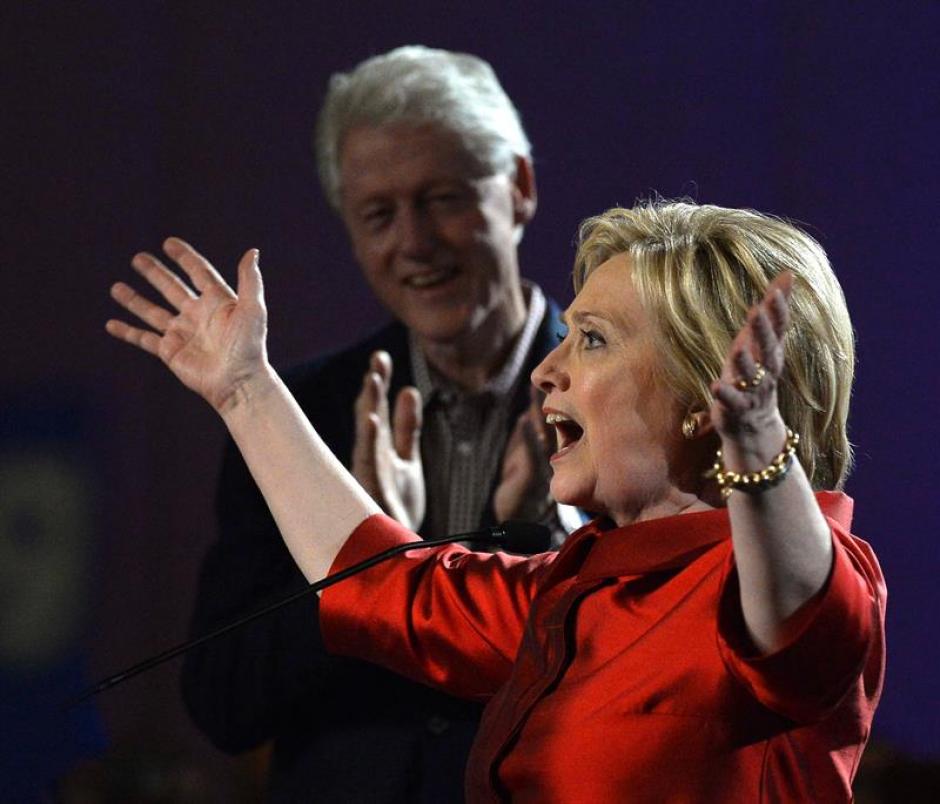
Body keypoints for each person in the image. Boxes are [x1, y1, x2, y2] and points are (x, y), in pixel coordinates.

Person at [107, 199, 886, 802]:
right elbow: (381, 584)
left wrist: (753, 439)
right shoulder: (574, 590)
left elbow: (795, 608)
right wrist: (246, 390)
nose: (547, 371)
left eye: (592, 339)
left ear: (700, 392)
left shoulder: (813, 588)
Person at [177, 46, 578, 802]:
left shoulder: (621, 397)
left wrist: (548, 543)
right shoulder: (293, 415)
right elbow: (221, 703)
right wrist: (358, 564)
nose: (415, 243)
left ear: (519, 189)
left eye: (443, 200)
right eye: (379, 215)